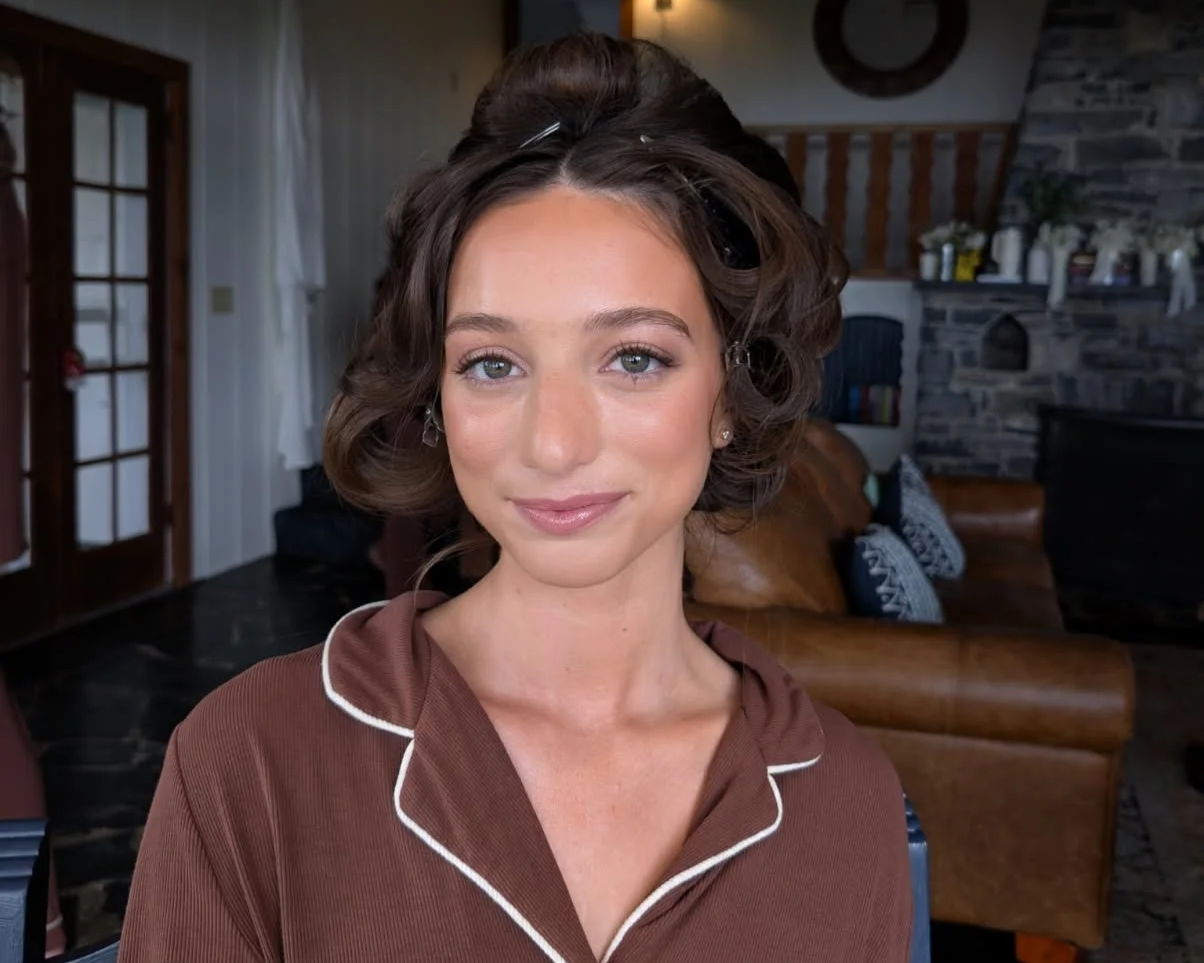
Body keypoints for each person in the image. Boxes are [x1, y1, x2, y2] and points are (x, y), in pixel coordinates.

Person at [119, 35, 912, 963]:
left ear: (731, 396)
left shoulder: (843, 797)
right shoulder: (252, 759)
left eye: (634, 358)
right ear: (440, 398)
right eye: (493, 364)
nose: (554, 442)